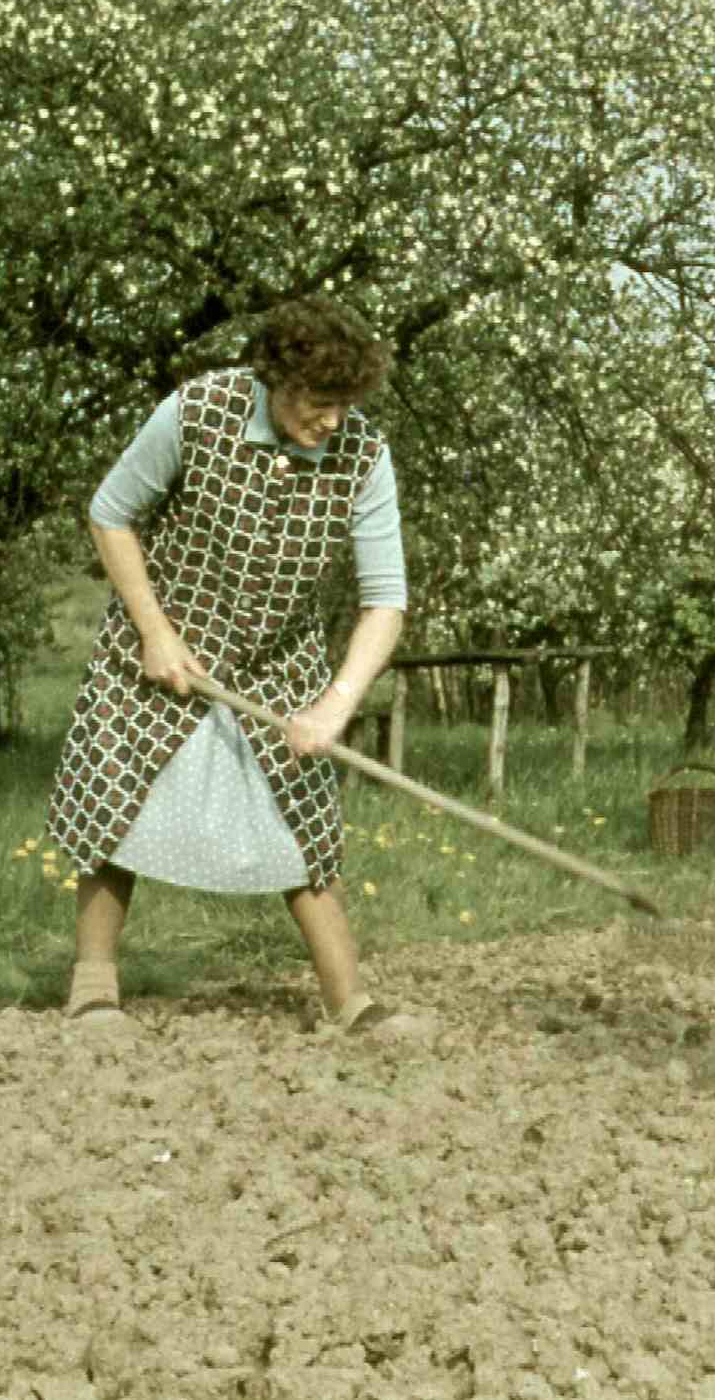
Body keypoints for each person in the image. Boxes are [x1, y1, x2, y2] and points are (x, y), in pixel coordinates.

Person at [46, 295, 422, 1035]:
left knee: (302, 821)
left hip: (277, 659)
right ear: (274, 380)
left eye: (344, 405)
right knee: (117, 804)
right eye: (318, 402)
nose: (333, 421)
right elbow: (110, 512)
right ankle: (93, 989)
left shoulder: (364, 457)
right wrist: (154, 633)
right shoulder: (195, 411)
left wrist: (333, 705)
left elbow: (386, 601)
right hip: (163, 644)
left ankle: (351, 1003)